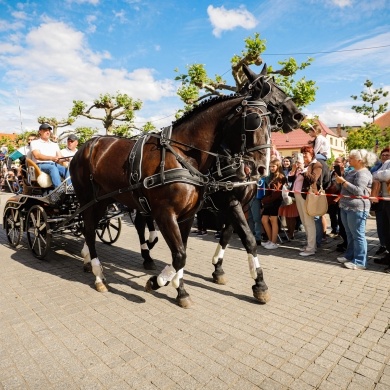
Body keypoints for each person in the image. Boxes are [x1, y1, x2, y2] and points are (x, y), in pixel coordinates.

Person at [334, 149, 377, 270]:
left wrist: (344, 182)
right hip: (346, 206)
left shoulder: (363, 173)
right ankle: (349, 256)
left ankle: (360, 261)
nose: (349, 159)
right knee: (349, 234)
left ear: (360, 160)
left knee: (358, 235)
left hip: (357, 208)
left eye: (351, 158)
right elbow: (343, 187)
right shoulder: (352, 171)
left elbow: (358, 191)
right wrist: (340, 180)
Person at [288, 145, 323, 256]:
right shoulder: (304, 165)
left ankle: (311, 248)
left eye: (305, 154)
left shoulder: (316, 165)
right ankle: (309, 244)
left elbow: (312, 179)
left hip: (307, 196)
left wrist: (303, 169)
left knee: (309, 222)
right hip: (298, 195)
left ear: (311, 154)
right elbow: (290, 180)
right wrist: (294, 170)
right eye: (302, 154)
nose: (303, 156)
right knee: (304, 221)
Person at [31, 123, 67, 188]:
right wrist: (51, 158)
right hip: (40, 165)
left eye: (49, 131)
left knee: (68, 170)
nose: (48, 132)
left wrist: (66, 159)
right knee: (53, 168)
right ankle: (59, 190)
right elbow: (37, 156)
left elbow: (60, 158)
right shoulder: (34, 142)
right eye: (45, 130)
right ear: (40, 132)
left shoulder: (54, 144)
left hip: (53, 164)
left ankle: (69, 188)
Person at [261, 159, 286, 249]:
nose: (271, 168)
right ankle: (270, 240)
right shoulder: (271, 176)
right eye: (270, 166)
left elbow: (276, 193)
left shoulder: (280, 177)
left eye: (273, 166)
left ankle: (274, 242)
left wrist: (265, 200)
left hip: (275, 201)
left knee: (273, 220)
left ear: (278, 167)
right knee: (264, 220)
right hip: (268, 201)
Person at [372, 154, 390, 272]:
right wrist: (380, 175)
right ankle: (388, 256)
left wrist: (379, 175)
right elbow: (376, 174)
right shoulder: (387, 162)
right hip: (386, 199)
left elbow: (385, 174)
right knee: (386, 230)